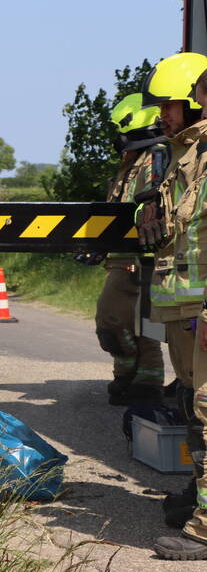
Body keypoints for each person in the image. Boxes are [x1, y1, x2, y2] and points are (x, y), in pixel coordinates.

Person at [129, 53, 207, 560]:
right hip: (184, 308)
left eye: (170, 104)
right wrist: (147, 210)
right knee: (194, 409)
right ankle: (199, 499)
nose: (163, 113)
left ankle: (204, 530)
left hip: (204, 309)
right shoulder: (179, 155)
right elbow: (156, 207)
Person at [83, 93, 165, 405]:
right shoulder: (130, 163)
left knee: (148, 325)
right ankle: (126, 372)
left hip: (148, 258)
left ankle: (148, 381)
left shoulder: (157, 161)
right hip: (122, 258)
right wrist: (98, 246)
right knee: (113, 322)